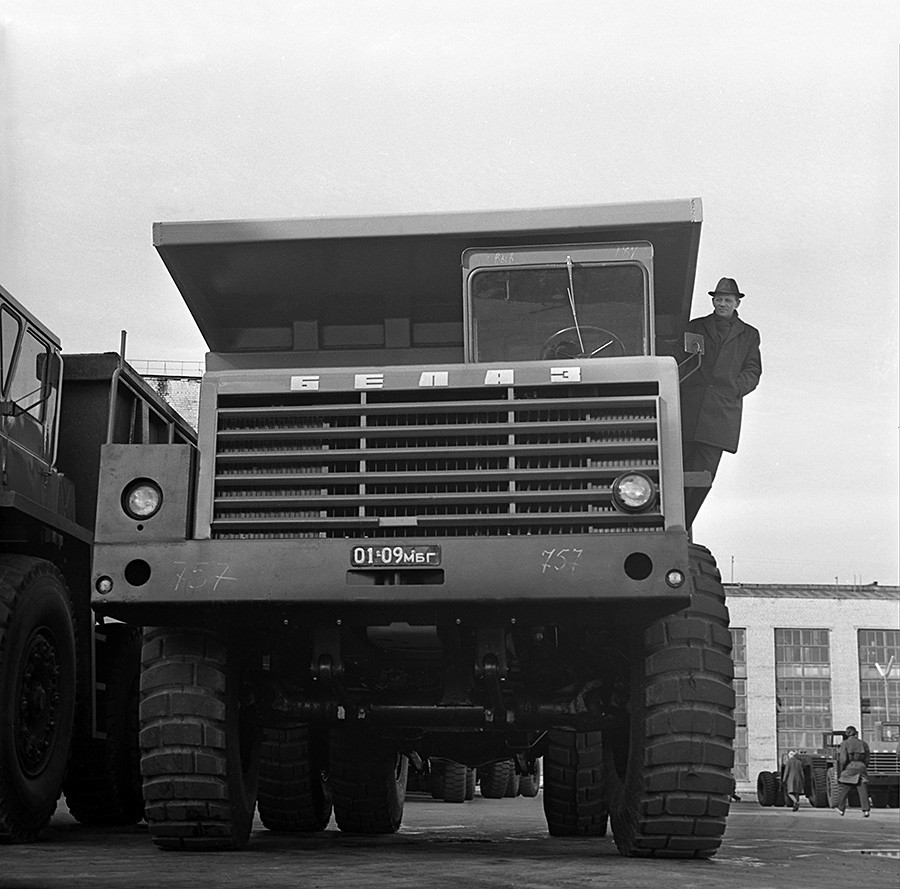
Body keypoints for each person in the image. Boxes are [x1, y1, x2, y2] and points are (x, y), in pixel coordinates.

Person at [680, 277, 762, 528]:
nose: (722, 303)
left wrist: (735, 389)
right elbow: (682, 360)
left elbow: (753, 370)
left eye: (727, 300)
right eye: (718, 299)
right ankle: (669, 526)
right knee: (675, 474)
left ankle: (683, 526)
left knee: (703, 478)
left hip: (720, 416)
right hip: (688, 410)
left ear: (737, 303)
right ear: (713, 301)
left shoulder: (749, 335)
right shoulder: (696, 327)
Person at [832, 725, 871, 817]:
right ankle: (866, 810)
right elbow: (867, 758)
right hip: (861, 767)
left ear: (847, 733)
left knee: (845, 789)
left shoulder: (845, 743)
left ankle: (841, 809)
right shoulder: (863, 743)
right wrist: (864, 766)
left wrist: (842, 770)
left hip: (850, 767)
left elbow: (843, 759)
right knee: (863, 790)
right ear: (855, 733)